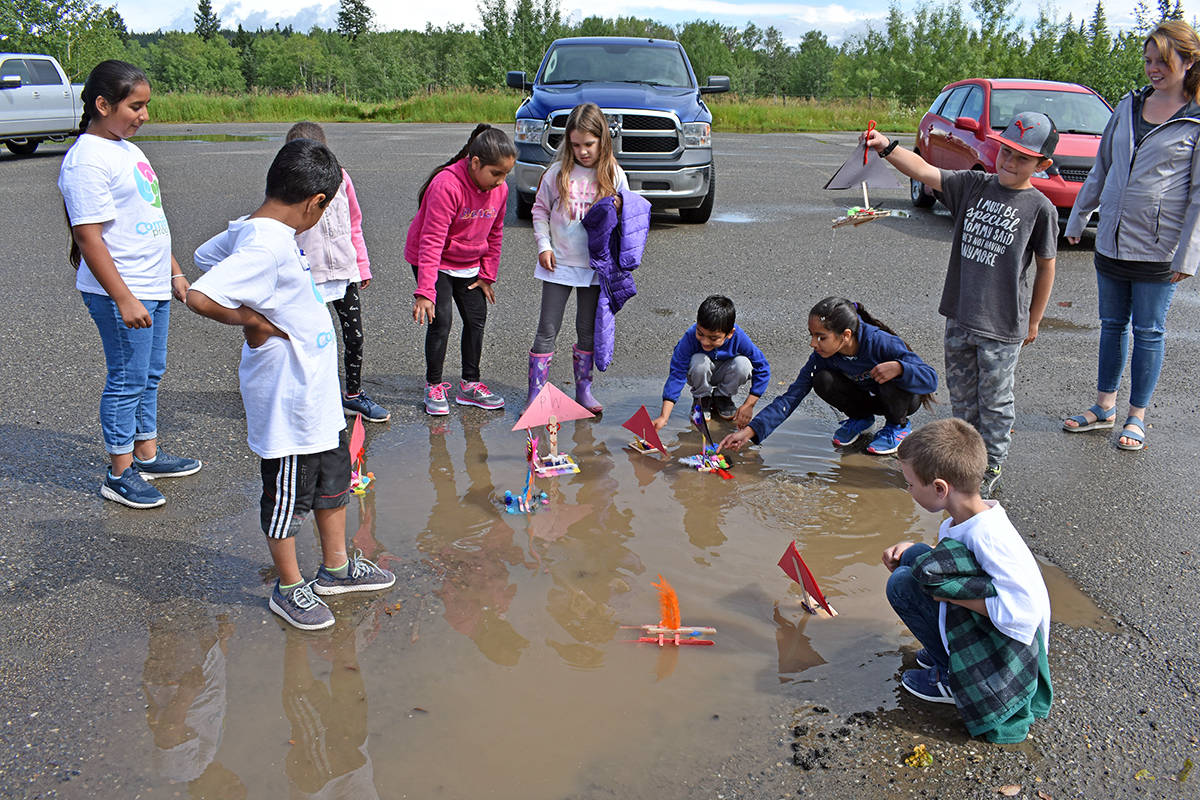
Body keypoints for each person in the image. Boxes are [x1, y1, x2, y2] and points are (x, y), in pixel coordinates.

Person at [186, 139, 395, 631]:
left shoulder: (256, 230)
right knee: (286, 500)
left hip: (316, 396)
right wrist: (253, 321)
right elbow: (200, 294)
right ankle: (288, 585)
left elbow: (203, 253)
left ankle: (337, 569)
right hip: (288, 404)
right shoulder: (265, 243)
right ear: (315, 202)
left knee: (334, 484)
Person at [864, 112, 1058, 496]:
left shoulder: (1040, 208)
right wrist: (885, 146)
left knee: (996, 402)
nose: (1009, 161)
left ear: (1043, 165)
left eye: (1022, 157)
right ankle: (966, 463)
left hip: (1002, 326)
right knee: (964, 398)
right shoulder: (974, 185)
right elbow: (924, 170)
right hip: (960, 316)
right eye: (1006, 151)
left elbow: (1046, 266)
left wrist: (1034, 320)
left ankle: (991, 464)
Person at [58, 60, 201, 509]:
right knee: (127, 379)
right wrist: (123, 298)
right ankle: (119, 474)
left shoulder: (127, 149)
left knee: (150, 374)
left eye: (146, 106)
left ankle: (147, 453)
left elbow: (151, 220)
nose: (143, 115)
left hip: (152, 283)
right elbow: (89, 237)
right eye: (135, 106)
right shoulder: (86, 160)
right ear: (103, 104)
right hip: (123, 291)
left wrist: (174, 271)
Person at [1063, 20, 1200, 451]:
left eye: (1162, 61)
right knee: (1110, 326)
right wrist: (1077, 216)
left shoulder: (1195, 119)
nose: (1152, 69)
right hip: (1111, 241)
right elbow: (1102, 165)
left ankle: (1136, 417)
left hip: (1159, 250)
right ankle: (1104, 408)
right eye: (1147, 61)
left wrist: (1187, 256)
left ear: (1189, 60)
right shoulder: (1128, 105)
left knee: (1149, 331)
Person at [882, 418, 1052, 744]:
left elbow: (1024, 613)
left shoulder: (990, 537)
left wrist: (953, 598)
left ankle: (951, 678)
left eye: (910, 484)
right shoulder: (970, 518)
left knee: (902, 586)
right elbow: (954, 557)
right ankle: (944, 652)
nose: (908, 491)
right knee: (915, 556)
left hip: (1009, 649)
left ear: (939, 488)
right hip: (991, 623)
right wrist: (914, 550)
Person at [720, 297, 937, 456]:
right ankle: (861, 419)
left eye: (821, 337)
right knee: (821, 379)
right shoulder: (821, 356)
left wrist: (900, 368)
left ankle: (896, 427)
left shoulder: (880, 342)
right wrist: (750, 431)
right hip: (866, 399)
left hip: (899, 401)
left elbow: (931, 379)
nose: (813, 344)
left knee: (889, 377)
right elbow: (791, 397)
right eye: (812, 335)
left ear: (846, 336)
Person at [404, 124, 515, 416]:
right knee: (441, 321)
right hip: (435, 259)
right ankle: (434, 385)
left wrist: (487, 275)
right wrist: (425, 290)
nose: (501, 181)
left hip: (469, 263)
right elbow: (431, 240)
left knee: (476, 319)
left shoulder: (500, 190)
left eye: (506, 175)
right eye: (496, 174)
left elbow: (495, 232)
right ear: (475, 163)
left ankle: (470, 385)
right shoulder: (446, 185)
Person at [285, 122, 389, 423]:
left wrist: (361, 264)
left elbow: (354, 223)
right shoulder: (288, 187)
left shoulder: (342, 179)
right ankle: (310, 399)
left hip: (344, 272)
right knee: (311, 343)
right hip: (308, 276)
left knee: (354, 337)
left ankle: (353, 396)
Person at [528, 103, 629, 413]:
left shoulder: (614, 173)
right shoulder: (557, 173)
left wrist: (621, 207)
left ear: (602, 141)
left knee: (587, 331)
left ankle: (583, 391)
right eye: (575, 145)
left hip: (594, 268)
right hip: (557, 264)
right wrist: (544, 246)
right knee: (547, 330)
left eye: (589, 144)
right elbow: (540, 210)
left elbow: (632, 214)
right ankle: (536, 395)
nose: (583, 151)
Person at [651, 295, 770, 430]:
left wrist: (749, 405)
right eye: (700, 334)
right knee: (699, 361)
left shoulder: (738, 337)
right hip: (699, 372)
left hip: (725, 372)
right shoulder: (690, 337)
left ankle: (722, 397)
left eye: (713, 338)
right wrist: (664, 417)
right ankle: (702, 400)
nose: (705, 342)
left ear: (729, 333)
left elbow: (763, 368)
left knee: (743, 364)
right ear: (697, 324)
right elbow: (677, 374)